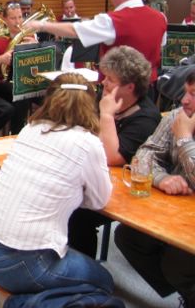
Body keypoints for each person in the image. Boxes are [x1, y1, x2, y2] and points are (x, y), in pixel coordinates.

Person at [0, 73, 123, 307]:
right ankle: (23, 303)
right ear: (90, 105)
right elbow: (99, 201)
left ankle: (30, 299)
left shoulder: (30, 129)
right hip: (21, 262)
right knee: (104, 281)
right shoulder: (87, 143)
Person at [67, 46, 161, 258]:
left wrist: (107, 116)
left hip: (128, 190)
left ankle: (83, 270)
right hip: (95, 177)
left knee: (79, 214)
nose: (104, 83)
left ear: (129, 87)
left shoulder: (146, 118)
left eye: (110, 79)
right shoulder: (105, 97)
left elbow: (112, 157)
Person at [114, 70, 195, 307]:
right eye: (185, 92)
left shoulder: (181, 126)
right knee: (128, 237)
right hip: (180, 213)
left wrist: (184, 139)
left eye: (193, 94)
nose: (184, 100)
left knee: (176, 262)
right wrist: (161, 179)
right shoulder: (179, 116)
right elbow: (145, 154)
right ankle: (187, 292)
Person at [26, 0, 167, 84]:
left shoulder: (112, 20)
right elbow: (160, 47)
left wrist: (41, 25)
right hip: (148, 87)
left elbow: (75, 30)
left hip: (119, 90)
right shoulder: (161, 17)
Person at [0, 1, 38, 134]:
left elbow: (38, 64)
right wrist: (0, 60)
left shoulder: (31, 35)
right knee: (21, 93)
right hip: (1, 82)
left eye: (20, 17)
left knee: (50, 93)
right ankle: (17, 133)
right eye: (13, 18)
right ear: (4, 19)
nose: (18, 21)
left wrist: (36, 47)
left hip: (26, 79)